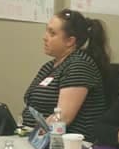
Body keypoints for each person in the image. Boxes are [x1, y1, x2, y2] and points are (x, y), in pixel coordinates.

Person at [21, 8, 109, 140]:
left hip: (66, 144)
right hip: (35, 136)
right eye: (47, 30)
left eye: (52, 33)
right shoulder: (50, 66)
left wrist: (35, 136)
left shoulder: (79, 65)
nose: (44, 37)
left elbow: (62, 118)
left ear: (70, 41)